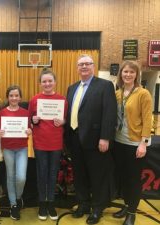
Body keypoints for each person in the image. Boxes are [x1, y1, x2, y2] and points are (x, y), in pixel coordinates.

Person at [65, 54, 117, 224]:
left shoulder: (105, 86)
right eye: (81, 64)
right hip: (74, 139)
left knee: (97, 176)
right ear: (77, 68)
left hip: (96, 141)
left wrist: (105, 137)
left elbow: (110, 114)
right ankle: (83, 204)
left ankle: (97, 208)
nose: (84, 67)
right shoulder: (71, 88)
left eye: (87, 64)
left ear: (93, 66)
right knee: (79, 175)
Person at [112, 61, 152, 225]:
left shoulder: (143, 94)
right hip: (118, 141)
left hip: (135, 143)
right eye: (125, 72)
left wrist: (144, 143)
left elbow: (148, 120)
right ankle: (127, 206)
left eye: (131, 72)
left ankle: (132, 213)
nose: (128, 75)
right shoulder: (118, 93)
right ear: (121, 74)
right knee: (123, 178)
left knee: (133, 179)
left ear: (137, 75)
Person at [28, 69, 68, 221]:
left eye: (50, 81)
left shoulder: (62, 100)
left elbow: (66, 119)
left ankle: (51, 203)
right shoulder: (34, 100)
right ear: (40, 83)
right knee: (42, 174)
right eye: (44, 81)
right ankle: (42, 204)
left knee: (52, 174)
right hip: (40, 143)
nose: (47, 84)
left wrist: (62, 121)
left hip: (56, 143)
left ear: (55, 82)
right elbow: (30, 120)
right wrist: (34, 120)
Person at [0, 85, 32, 220]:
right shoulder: (2, 113)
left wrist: (30, 131)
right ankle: (13, 204)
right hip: (8, 149)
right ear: (8, 97)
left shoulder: (25, 112)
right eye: (11, 95)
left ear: (20, 97)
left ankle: (18, 197)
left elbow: (29, 129)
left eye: (16, 95)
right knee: (10, 176)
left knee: (21, 177)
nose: (14, 98)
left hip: (22, 148)